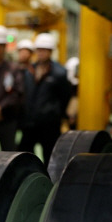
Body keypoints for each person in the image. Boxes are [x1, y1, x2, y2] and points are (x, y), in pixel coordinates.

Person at [18, 33, 71, 165]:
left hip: (49, 125)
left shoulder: (59, 73)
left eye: (44, 50)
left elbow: (65, 96)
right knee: (24, 154)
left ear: (51, 51)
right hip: (30, 123)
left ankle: (50, 182)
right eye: (39, 50)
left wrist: (56, 113)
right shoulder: (29, 70)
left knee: (50, 157)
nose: (41, 53)